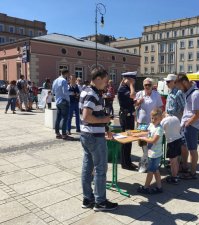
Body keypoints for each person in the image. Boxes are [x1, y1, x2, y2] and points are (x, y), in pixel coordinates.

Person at [79, 67, 118, 211]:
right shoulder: (92, 94)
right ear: (98, 79)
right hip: (94, 136)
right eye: (106, 80)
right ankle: (100, 201)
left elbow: (95, 114)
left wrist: (105, 127)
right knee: (100, 168)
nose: (107, 84)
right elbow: (87, 116)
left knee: (87, 167)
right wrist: (106, 119)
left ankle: (87, 198)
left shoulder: (86, 91)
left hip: (86, 135)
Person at [176, 74, 199, 179]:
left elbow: (198, 113)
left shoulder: (195, 94)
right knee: (184, 147)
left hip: (191, 126)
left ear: (184, 83)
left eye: (179, 86)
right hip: (187, 125)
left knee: (192, 149)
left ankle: (192, 173)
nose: (179, 89)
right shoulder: (190, 92)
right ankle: (185, 167)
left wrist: (188, 123)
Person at [135, 78, 163, 173]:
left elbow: (160, 107)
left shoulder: (156, 95)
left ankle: (151, 163)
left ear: (152, 86)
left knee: (151, 143)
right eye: (145, 85)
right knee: (143, 144)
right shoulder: (139, 94)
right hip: (142, 123)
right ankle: (146, 162)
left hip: (153, 124)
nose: (147, 87)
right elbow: (134, 106)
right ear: (143, 86)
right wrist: (138, 102)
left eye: (149, 85)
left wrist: (160, 120)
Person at [137, 108, 163, 194]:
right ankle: (159, 187)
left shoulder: (159, 129)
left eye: (156, 119)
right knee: (156, 170)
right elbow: (147, 133)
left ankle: (146, 187)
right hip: (151, 152)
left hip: (155, 154)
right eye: (152, 118)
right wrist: (138, 135)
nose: (153, 120)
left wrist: (144, 138)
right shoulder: (151, 125)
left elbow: (153, 140)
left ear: (160, 119)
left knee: (150, 172)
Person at [118, 71, 138, 170]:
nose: (134, 82)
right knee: (126, 141)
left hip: (129, 117)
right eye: (132, 80)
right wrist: (130, 84)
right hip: (125, 118)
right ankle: (125, 163)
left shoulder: (125, 88)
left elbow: (131, 101)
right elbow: (133, 95)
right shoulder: (123, 89)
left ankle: (128, 162)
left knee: (129, 140)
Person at [161, 113, 183, 184]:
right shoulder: (176, 118)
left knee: (172, 161)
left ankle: (174, 177)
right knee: (176, 159)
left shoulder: (164, 120)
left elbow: (160, 130)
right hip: (178, 139)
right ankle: (176, 175)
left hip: (172, 142)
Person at [52, 69, 72, 140]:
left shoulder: (55, 81)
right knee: (65, 118)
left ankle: (57, 133)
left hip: (57, 101)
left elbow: (53, 91)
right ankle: (64, 134)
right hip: (64, 101)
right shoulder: (64, 81)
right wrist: (72, 93)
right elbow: (65, 92)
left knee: (58, 118)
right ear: (66, 74)